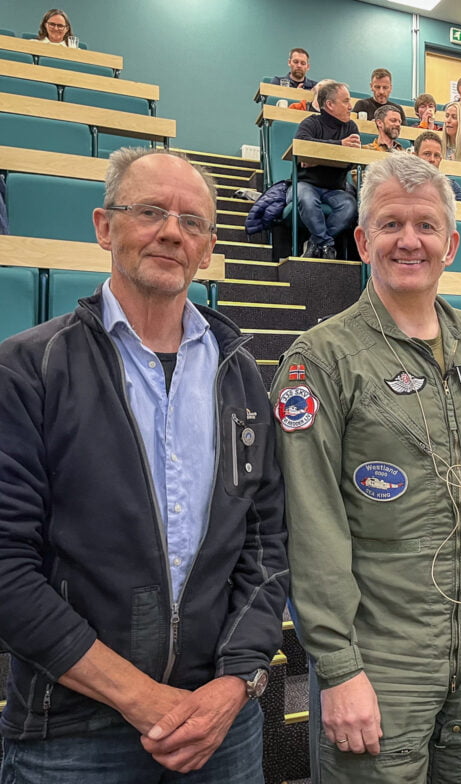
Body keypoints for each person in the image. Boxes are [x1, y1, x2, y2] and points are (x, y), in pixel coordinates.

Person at [0, 148, 289, 783]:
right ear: (104, 226)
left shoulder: (239, 372)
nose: (171, 232)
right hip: (73, 730)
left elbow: (268, 544)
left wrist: (235, 683)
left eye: (192, 222)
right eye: (150, 211)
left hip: (222, 723)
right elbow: (7, 568)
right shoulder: (28, 369)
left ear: (209, 248)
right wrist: (141, 697)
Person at [273, 153, 461, 783]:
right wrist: (338, 668)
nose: (410, 240)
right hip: (380, 655)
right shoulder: (320, 359)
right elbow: (311, 523)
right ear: (361, 239)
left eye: (427, 226)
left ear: (452, 244)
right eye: (390, 224)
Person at [290, 81, 361, 259]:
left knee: (350, 207)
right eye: (345, 101)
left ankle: (315, 242)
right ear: (329, 104)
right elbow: (302, 150)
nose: (350, 107)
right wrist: (339, 146)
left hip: (335, 188)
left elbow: (351, 161)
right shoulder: (310, 123)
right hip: (306, 184)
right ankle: (327, 244)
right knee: (307, 200)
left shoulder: (351, 127)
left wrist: (318, 158)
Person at [413, 130, 461, 203]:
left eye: (436, 155)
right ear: (414, 157)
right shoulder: (402, 183)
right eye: (427, 154)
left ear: (440, 159)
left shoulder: (451, 186)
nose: (432, 159)